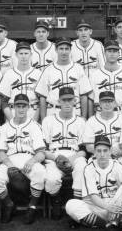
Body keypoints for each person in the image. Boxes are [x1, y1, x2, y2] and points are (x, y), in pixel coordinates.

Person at [0, 94, 47, 225]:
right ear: (13, 107)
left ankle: (32, 207)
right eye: (18, 106)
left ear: (29, 107)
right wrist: (9, 165)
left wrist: (32, 161)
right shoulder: (4, 127)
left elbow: (41, 153)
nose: (21, 109)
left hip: (29, 157)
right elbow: (1, 153)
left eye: (24, 106)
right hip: (10, 159)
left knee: (40, 173)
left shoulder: (34, 126)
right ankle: (9, 204)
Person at [65, 135, 122, 229]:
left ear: (110, 151)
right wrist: (108, 207)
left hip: (116, 207)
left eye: (105, 150)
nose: (102, 154)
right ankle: (108, 225)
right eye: (99, 151)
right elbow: (93, 197)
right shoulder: (88, 168)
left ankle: (113, 221)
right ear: (94, 152)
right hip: (96, 208)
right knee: (71, 204)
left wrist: (119, 200)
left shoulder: (116, 164)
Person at [40, 87, 87, 218]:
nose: (67, 103)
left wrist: (72, 159)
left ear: (75, 101)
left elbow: (83, 150)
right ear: (59, 101)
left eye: (70, 100)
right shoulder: (48, 120)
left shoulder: (81, 121)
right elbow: (43, 149)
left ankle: (77, 205)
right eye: (64, 100)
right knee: (51, 180)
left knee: (82, 168)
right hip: (54, 155)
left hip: (75, 155)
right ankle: (56, 200)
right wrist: (56, 158)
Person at [37, 37, 93, 120]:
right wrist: (43, 119)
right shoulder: (48, 70)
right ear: (56, 50)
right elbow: (43, 97)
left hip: (74, 110)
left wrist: (84, 117)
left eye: (67, 49)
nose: (64, 52)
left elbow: (84, 95)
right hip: (53, 111)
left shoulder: (78, 68)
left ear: (70, 50)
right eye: (61, 49)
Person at [0, 41, 43, 121]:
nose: (23, 56)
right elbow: (3, 100)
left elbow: (41, 100)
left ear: (31, 54)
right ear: (16, 55)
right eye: (21, 53)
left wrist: (35, 119)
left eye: (26, 53)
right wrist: (11, 119)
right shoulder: (9, 73)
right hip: (13, 112)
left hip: (32, 111)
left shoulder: (38, 74)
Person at [89, 40, 122, 116]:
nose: (112, 54)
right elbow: (91, 100)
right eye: (109, 51)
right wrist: (91, 118)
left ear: (119, 54)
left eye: (115, 51)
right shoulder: (95, 75)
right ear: (104, 53)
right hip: (100, 114)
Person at [83, 91, 122, 161]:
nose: (107, 104)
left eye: (110, 101)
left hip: (119, 156)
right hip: (98, 157)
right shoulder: (91, 121)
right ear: (100, 104)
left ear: (115, 103)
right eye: (104, 102)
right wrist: (104, 153)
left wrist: (116, 152)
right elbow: (88, 146)